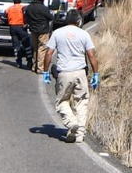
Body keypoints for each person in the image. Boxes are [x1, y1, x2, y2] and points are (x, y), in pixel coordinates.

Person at [41, 11, 99, 143]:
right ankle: (80, 134)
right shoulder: (84, 34)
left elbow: (49, 53)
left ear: (66, 20)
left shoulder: (57, 33)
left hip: (64, 72)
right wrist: (96, 73)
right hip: (80, 72)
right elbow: (91, 55)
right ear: (79, 20)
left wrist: (45, 71)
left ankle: (71, 122)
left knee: (62, 101)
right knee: (81, 102)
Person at [23, 0, 55, 68]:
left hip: (33, 30)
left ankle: (34, 66)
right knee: (42, 48)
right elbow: (50, 17)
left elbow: (26, 18)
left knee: (35, 48)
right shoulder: (43, 8)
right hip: (43, 31)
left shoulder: (28, 8)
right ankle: (40, 67)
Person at [5, 0, 32, 69]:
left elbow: (4, 16)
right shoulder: (23, 7)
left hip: (12, 27)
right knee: (27, 45)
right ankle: (29, 61)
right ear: (20, 1)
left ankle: (18, 62)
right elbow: (27, 15)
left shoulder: (9, 8)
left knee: (16, 45)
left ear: (13, 1)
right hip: (21, 27)